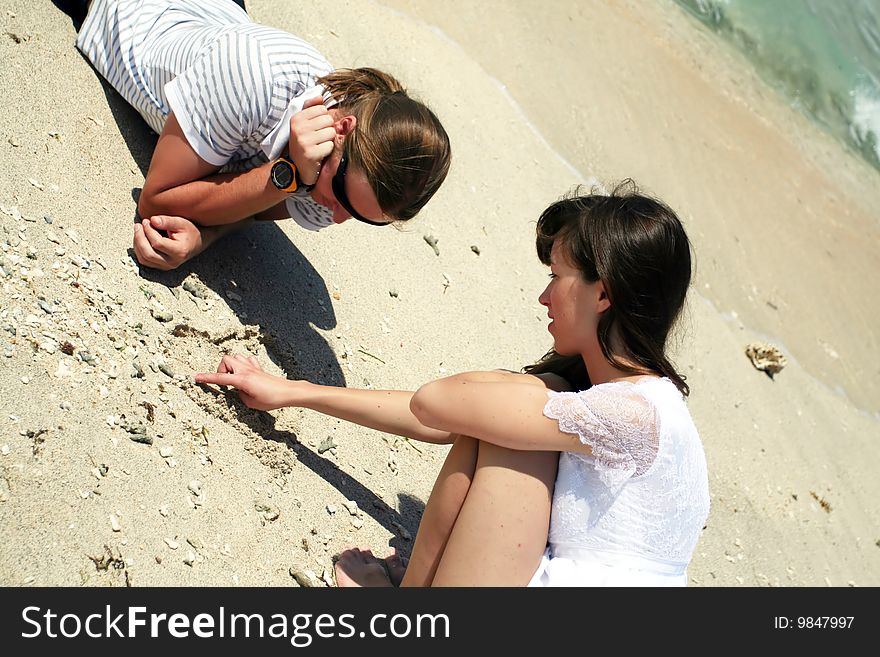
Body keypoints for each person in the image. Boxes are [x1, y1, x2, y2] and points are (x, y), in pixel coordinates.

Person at [195, 183, 711, 586]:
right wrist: (293, 392)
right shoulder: (626, 404)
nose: (543, 297)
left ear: (605, 295)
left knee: (509, 437)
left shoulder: (631, 417)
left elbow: (435, 402)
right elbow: (441, 420)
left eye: (556, 276)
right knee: (503, 422)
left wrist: (534, 384)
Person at [68, 0, 451, 270]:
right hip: (128, 12)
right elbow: (157, 200)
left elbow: (249, 211)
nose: (335, 219)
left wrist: (205, 238)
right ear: (341, 128)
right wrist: (286, 174)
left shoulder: (337, 175)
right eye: (344, 202)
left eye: (364, 219)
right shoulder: (252, 75)